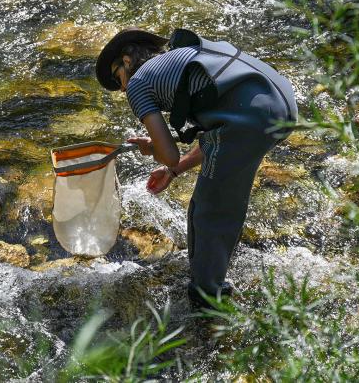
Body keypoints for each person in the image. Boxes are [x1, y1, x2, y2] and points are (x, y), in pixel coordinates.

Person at [95, 27, 298, 309]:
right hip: (280, 104)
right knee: (224, 199)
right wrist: (174, 171)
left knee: (207, 212)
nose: (124, 89)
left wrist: (153, 149)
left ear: (127, 62)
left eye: (119, 80)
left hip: (248, 117)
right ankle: (218, 271)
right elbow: (216, 135)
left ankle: (205, 298)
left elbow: (169, 154)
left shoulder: (139, 82)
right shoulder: (183, 59)